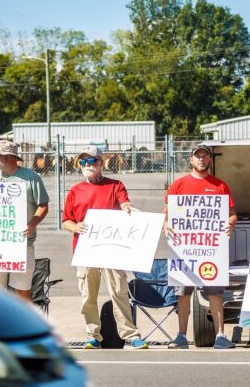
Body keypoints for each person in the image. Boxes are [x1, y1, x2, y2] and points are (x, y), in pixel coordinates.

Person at [62, 145, 148, 350]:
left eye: (91, 161)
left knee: (119, 292)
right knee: (88, 296)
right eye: (83, 162)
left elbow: (124, 203)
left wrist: (127, 207)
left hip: (112, 250)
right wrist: (75, 226)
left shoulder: (115, 185)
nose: (87, 165)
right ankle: (93, 335)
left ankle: (131, 335)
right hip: (85, 251)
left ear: (101, 163)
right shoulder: (75, 191)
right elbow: (66, 221)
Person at [164, 145, 238, 350]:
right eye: (198, 155)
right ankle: (180, 337)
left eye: (205, 155)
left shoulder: (220, 186)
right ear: (191, 159)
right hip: (184, 249)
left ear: (210, 160)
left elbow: (231, 213)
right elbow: (167, 212)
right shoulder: (178, 185)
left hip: (211, 250)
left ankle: (221, 336)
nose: (201, 159)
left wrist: (230, 224)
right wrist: (166, 225)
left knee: (215, 293)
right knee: (183, 293)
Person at [0, 140, 50, 302]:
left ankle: (25, 325)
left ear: (10, 156)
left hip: (22, 244)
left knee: (22, 291)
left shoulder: (30, 178)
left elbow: (43, 206)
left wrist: (32, 224)